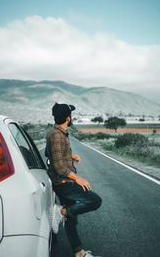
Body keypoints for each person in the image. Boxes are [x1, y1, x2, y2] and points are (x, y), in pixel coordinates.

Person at [45, 103, 102, 257]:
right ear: (68, 118)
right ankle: (60, 211)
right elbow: (58, 166)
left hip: (63, 181)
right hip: (63, 183)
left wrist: (71, 156)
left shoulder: (57, 132)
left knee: (71, 219)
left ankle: (79, 253)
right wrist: (78, 179)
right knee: (95, 201)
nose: (71, 118)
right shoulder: (57, 135)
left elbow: (49, 153)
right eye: (71, 115)